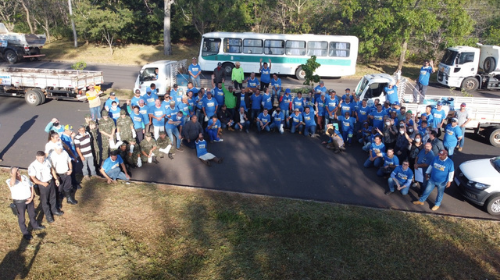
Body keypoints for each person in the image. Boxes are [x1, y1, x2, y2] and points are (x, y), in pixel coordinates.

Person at [7, 167, 45, 241]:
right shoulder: (9, 181)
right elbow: (12, 183)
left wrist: (31, 197)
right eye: (16, 172)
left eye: (18, 171)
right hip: (19, 202)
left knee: (32, 214)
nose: (18, 173)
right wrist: (14, 173)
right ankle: (25, 232)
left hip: (29, 199)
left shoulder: (24, 177)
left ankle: (35, 225)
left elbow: (31, 186)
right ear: (11, 174)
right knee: (21, 218)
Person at [28, 151, 63, 224]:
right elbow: (33, 178)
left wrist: (56, 179)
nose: (41, 159)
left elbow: (52, 170)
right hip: (42, 185)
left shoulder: (47, 161)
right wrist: (42, 183)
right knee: (45, 201)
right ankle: (48, 215)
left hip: (50, 182)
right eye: (40, 158)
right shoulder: (33, 166)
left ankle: (54, 210)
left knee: (53, 197)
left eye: (43, 158)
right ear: (36, 157)